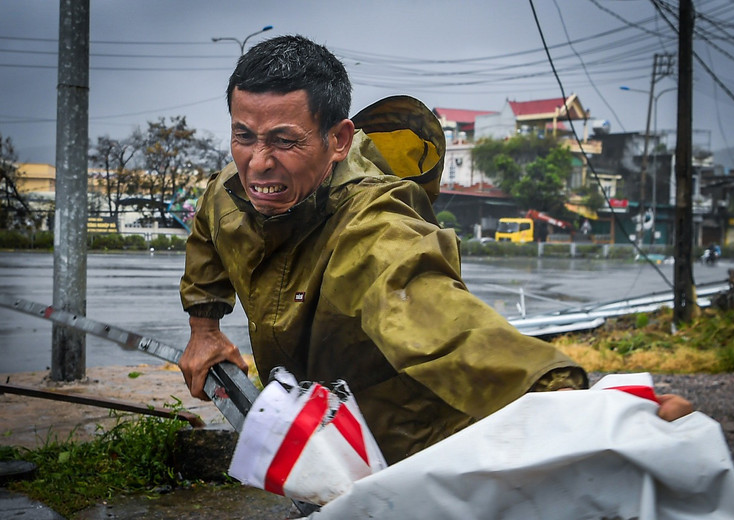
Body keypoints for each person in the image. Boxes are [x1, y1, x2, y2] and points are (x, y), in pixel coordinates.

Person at [179, 35, 692, 465]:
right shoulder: (230, 190)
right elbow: (210, 232)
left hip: (409, 444)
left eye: (285, 141)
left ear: (338, 140)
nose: (258, 163)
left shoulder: (373, 226)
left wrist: (583, 408)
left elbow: (439, 319)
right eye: (243, 136)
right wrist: (204, 329)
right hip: (315, 429)